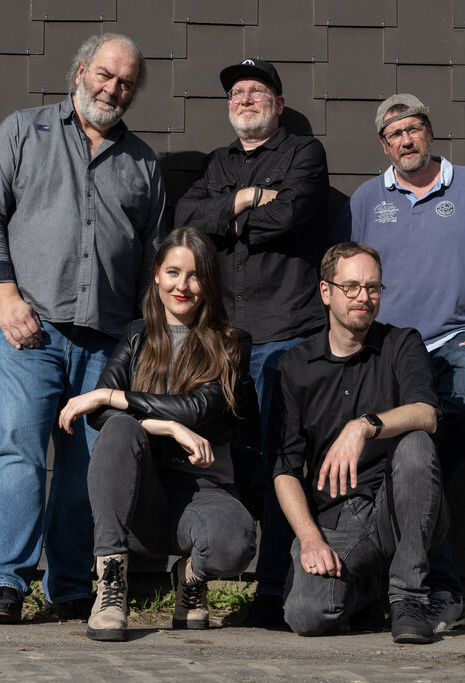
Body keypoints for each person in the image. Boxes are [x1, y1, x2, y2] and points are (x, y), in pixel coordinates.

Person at [0, 33, 167, 624]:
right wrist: (5, 298)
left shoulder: (143, 162)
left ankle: (72, 585)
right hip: (32, 329)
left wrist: (140, 340)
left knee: (86, 471)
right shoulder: (24, 131)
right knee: (17, 453)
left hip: (107, 343)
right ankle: (4, 582)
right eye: (105, 74)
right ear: (81, 70)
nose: (114, 89)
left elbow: (153, 258)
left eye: (126, 82)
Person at [332, 94, 465, 632]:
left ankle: (407, 517)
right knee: (417, 469)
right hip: (391, 349)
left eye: (414, 128)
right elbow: (340, 273)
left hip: (457, 339)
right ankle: (437, 590)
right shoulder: (364, 200)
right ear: (384, 144)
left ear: (429, 132)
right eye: (395, 133)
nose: (406, 139)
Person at [174, 58, 330, 626]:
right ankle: (211, 574)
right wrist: (242, 201)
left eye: (256, 91)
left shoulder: (303, 154)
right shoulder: (219, 164)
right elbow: (186, 222)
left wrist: (229, 218)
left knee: (282, 461)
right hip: (224, 340)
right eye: (237, 93)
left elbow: (291, 215)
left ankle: (271, 593)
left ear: (278, 104)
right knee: (230, 461)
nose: (244, 99)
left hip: (286, 331)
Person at [58, 227, 257, 642]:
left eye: (195, 275)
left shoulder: (232, 343)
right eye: (173, 272)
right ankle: (111, 582)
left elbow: (201, 408)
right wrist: (165, 425)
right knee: (119, 428)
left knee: (234, 545)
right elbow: (101, 420)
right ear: (156, 274)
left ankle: (190, 576)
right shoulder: (136, 336)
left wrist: (111, 394)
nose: (182, 286)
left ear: (209, 283)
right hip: (141, 501)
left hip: (203, 492)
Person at [271, 242, 448, 643]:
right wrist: (311, 540)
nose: (363, 297)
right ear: (325, 292)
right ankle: (367, 589)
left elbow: (427, 413)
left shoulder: (401, 344)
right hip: (337, 521)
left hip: (399, 506)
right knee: (307, 615)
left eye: (372, 287)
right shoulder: (295, 366)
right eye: (350, 287)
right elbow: (284, 468)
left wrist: (362, 426)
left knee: (416, 443)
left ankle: (408, 600)